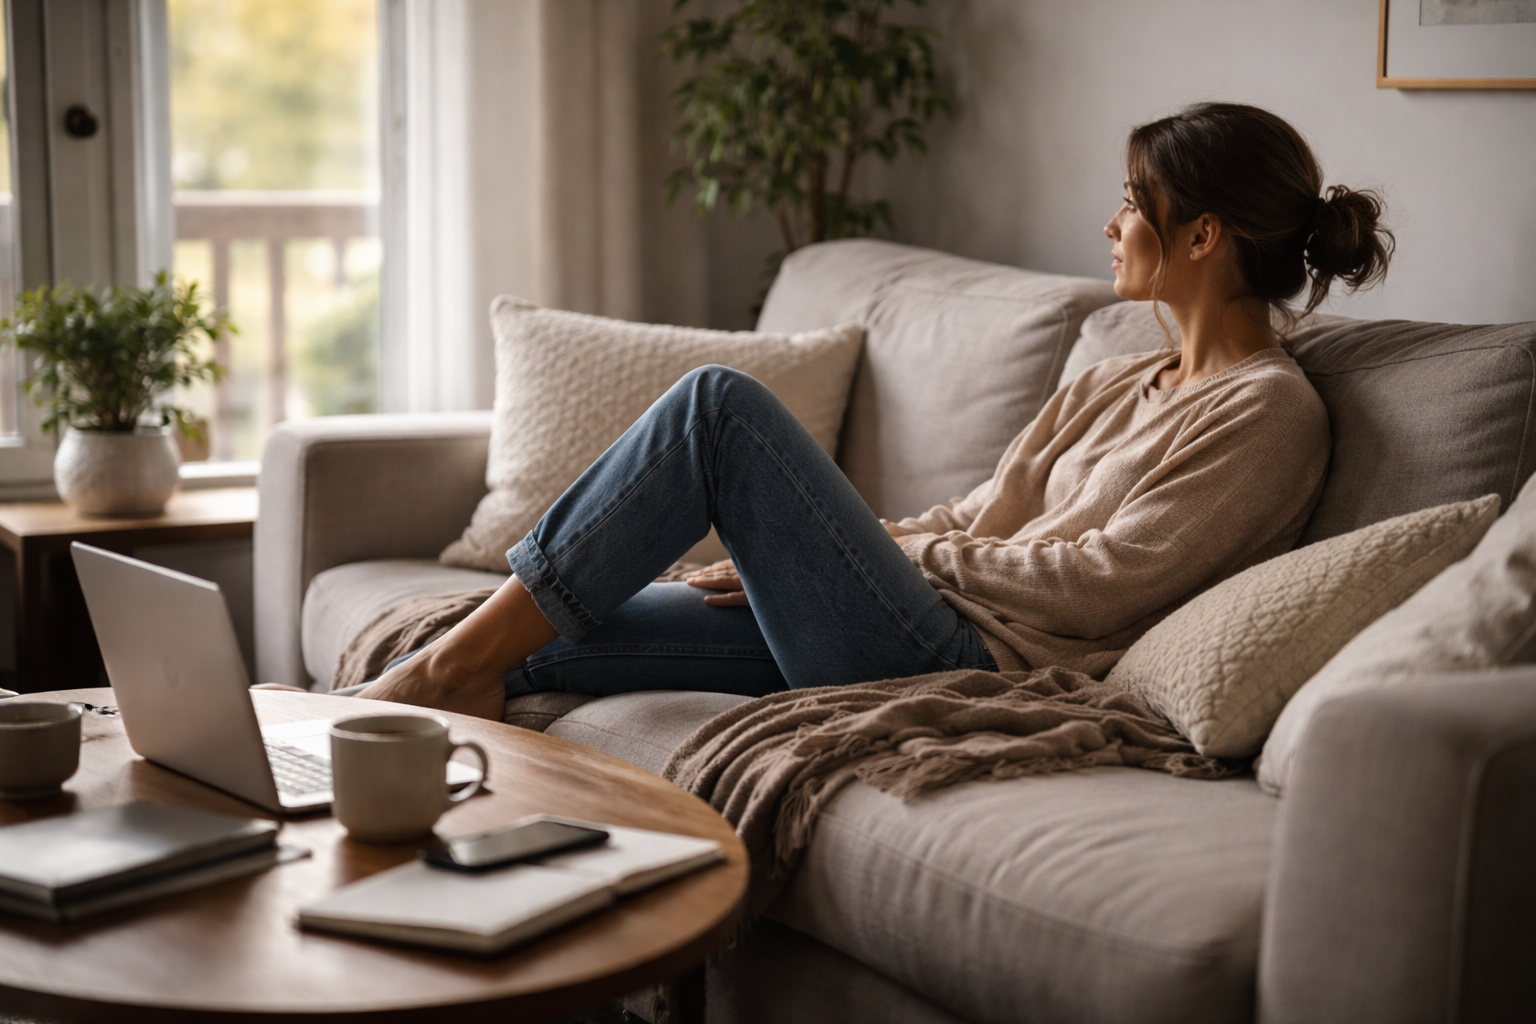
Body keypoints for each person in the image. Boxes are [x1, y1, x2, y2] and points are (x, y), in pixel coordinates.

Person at [354, 102, 1394, 721]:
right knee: (542, 639)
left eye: (1134, 198)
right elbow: (984, 509)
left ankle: (434, 674)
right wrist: (819, 552)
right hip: (901, 611)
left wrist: (892, 562)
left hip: (972, 660)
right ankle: (424, 694)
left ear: (1204, 234)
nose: (1113, 222)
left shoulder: (1267, 415)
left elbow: (1098, 586)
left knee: (717, 409)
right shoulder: (1123, 374)